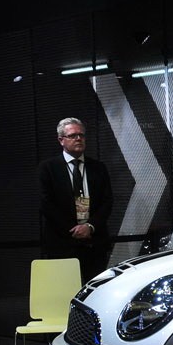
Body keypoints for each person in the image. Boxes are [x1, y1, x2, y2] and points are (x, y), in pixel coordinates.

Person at [38, 117, 114, 282]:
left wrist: (90, 226)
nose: (79, 138)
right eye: (73, 135)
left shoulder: (98, 168)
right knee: (64, 289)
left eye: (81, 135)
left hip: (94, 242)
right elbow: (46, 203)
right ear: (61, 140)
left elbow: (107, 201)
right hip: (62, 243)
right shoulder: (48, 168)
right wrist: (73, 229)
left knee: (95, 290)